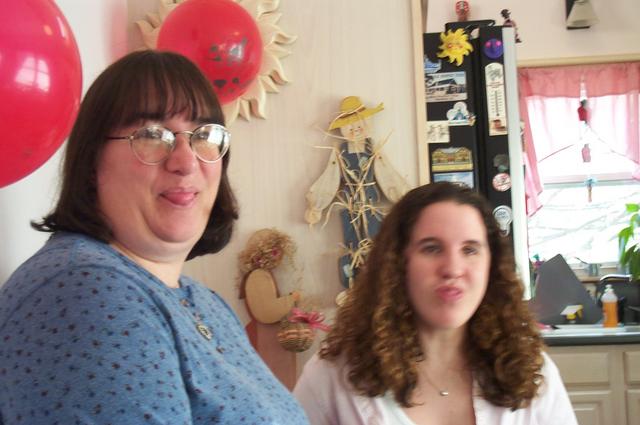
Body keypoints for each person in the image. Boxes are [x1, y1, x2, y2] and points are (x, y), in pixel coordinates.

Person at [0, 50, 308, 425]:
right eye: (151, 135)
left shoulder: (204, 302)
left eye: (204, 135)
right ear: (92, 162)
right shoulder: (84, 290)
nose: (187, 161)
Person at [294, 182, 577, 425]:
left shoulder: (532, 371)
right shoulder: (331, 377)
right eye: (431, 248)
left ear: (491, 266)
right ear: (398, 263)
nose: (453, 268)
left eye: (470, 250)